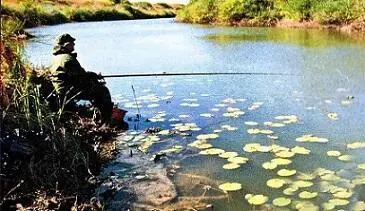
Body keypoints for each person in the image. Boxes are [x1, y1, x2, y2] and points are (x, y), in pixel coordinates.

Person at [50, 33, 113, 124]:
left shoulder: (56, 58)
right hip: (69, 90)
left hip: (62, 88)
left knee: (96, 88)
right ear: (66, 44)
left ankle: (97, 116)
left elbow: (78, 75)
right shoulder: (67, 59)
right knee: (103, 90)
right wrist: (95, 80)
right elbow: (82, 78)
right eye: (72, 43)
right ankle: (106, 121)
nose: (74, 45)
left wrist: (93, 76)